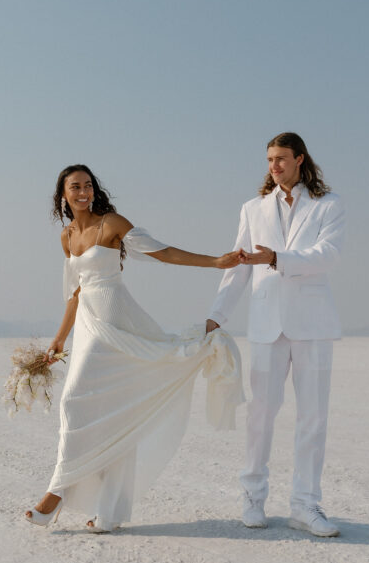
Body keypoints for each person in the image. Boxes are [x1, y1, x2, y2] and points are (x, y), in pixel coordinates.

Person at [24, 164, 245, 533]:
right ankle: (109, 514)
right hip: (89, 325)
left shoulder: (111, 223)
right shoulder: (66, 237)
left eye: (88, 185)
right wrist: (61, 337)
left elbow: (164, 252)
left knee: (73, 401)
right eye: (75, 187)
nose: (83, 192)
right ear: (62, 195)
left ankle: (56, 493)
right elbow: (74, 293)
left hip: (117, 317)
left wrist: (215, 262)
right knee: (112, 414)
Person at [206, 132, 346, 537]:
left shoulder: (329, 204)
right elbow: (239, 266)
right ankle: (253, 496)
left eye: (281, 158)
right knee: (260, 413)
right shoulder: (253, 209)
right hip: (267, 324)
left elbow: (329, 255)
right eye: (269, 159)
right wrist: (217, 315)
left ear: (300, 159)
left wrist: (278, 258)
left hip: (313, 324)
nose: (274, 166)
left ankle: (305, 505)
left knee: (313, 416)